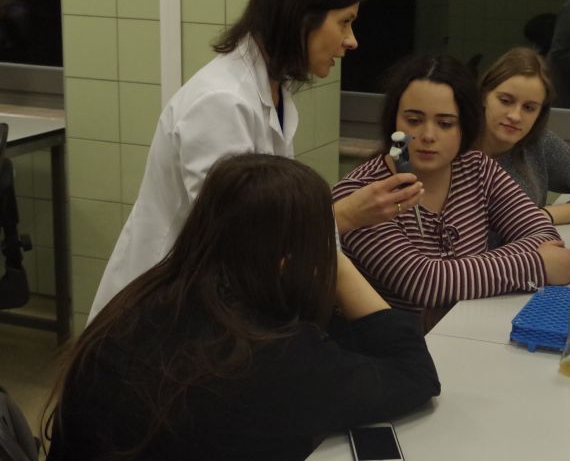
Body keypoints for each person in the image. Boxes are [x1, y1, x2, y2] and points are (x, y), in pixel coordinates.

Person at [89, 0, 423, 320]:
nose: (352, 40)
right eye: (344, 22)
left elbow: (268, 217)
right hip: (161, 307)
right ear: (302, 18)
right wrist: (344, 215)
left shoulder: (271, 92)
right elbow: (240, 236)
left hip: (211, 298)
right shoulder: (221, 102)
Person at [45, 154, 440, 461]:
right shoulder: (274, 356)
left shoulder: (143, 300)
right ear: (286, 262)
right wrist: (335, 258)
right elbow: (414, 373)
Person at [332, 54, 570, 327]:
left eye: (445, 124)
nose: (428, 136)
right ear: (394, 123)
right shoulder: (361, 194)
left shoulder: (476, 167)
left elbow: (543, 234)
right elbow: (423, 282)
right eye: (414, 120)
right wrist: (536, 265)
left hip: (469, 328)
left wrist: (460, 276)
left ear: (465, 126)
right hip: (399, 346)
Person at [477, 47, 570, 225]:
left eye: (529, 108)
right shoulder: (452, 143)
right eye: (506, 101)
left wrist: (541, 216)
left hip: (530, 242)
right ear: (484, 96)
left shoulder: (539, 143)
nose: (515, 116)